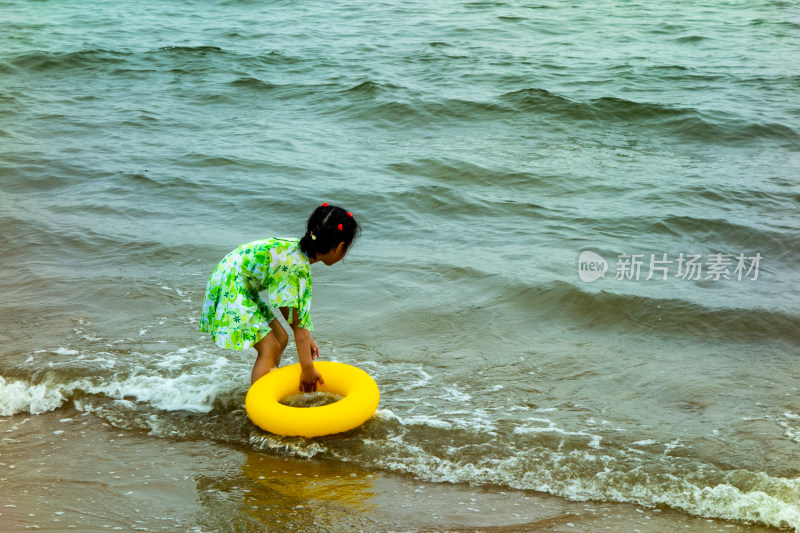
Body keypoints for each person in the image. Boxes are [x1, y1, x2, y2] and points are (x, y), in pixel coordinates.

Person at [199, 203, 360, 391]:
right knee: (270, 347)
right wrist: (307, 368)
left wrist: (305, 337)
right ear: (340, 246)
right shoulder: (295, 266)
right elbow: (299, 323)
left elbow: (291, 313)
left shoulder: (294, 254)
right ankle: (259, 404)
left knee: (280, 338)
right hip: (231, 285)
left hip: (232, 279)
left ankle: (268, 386)